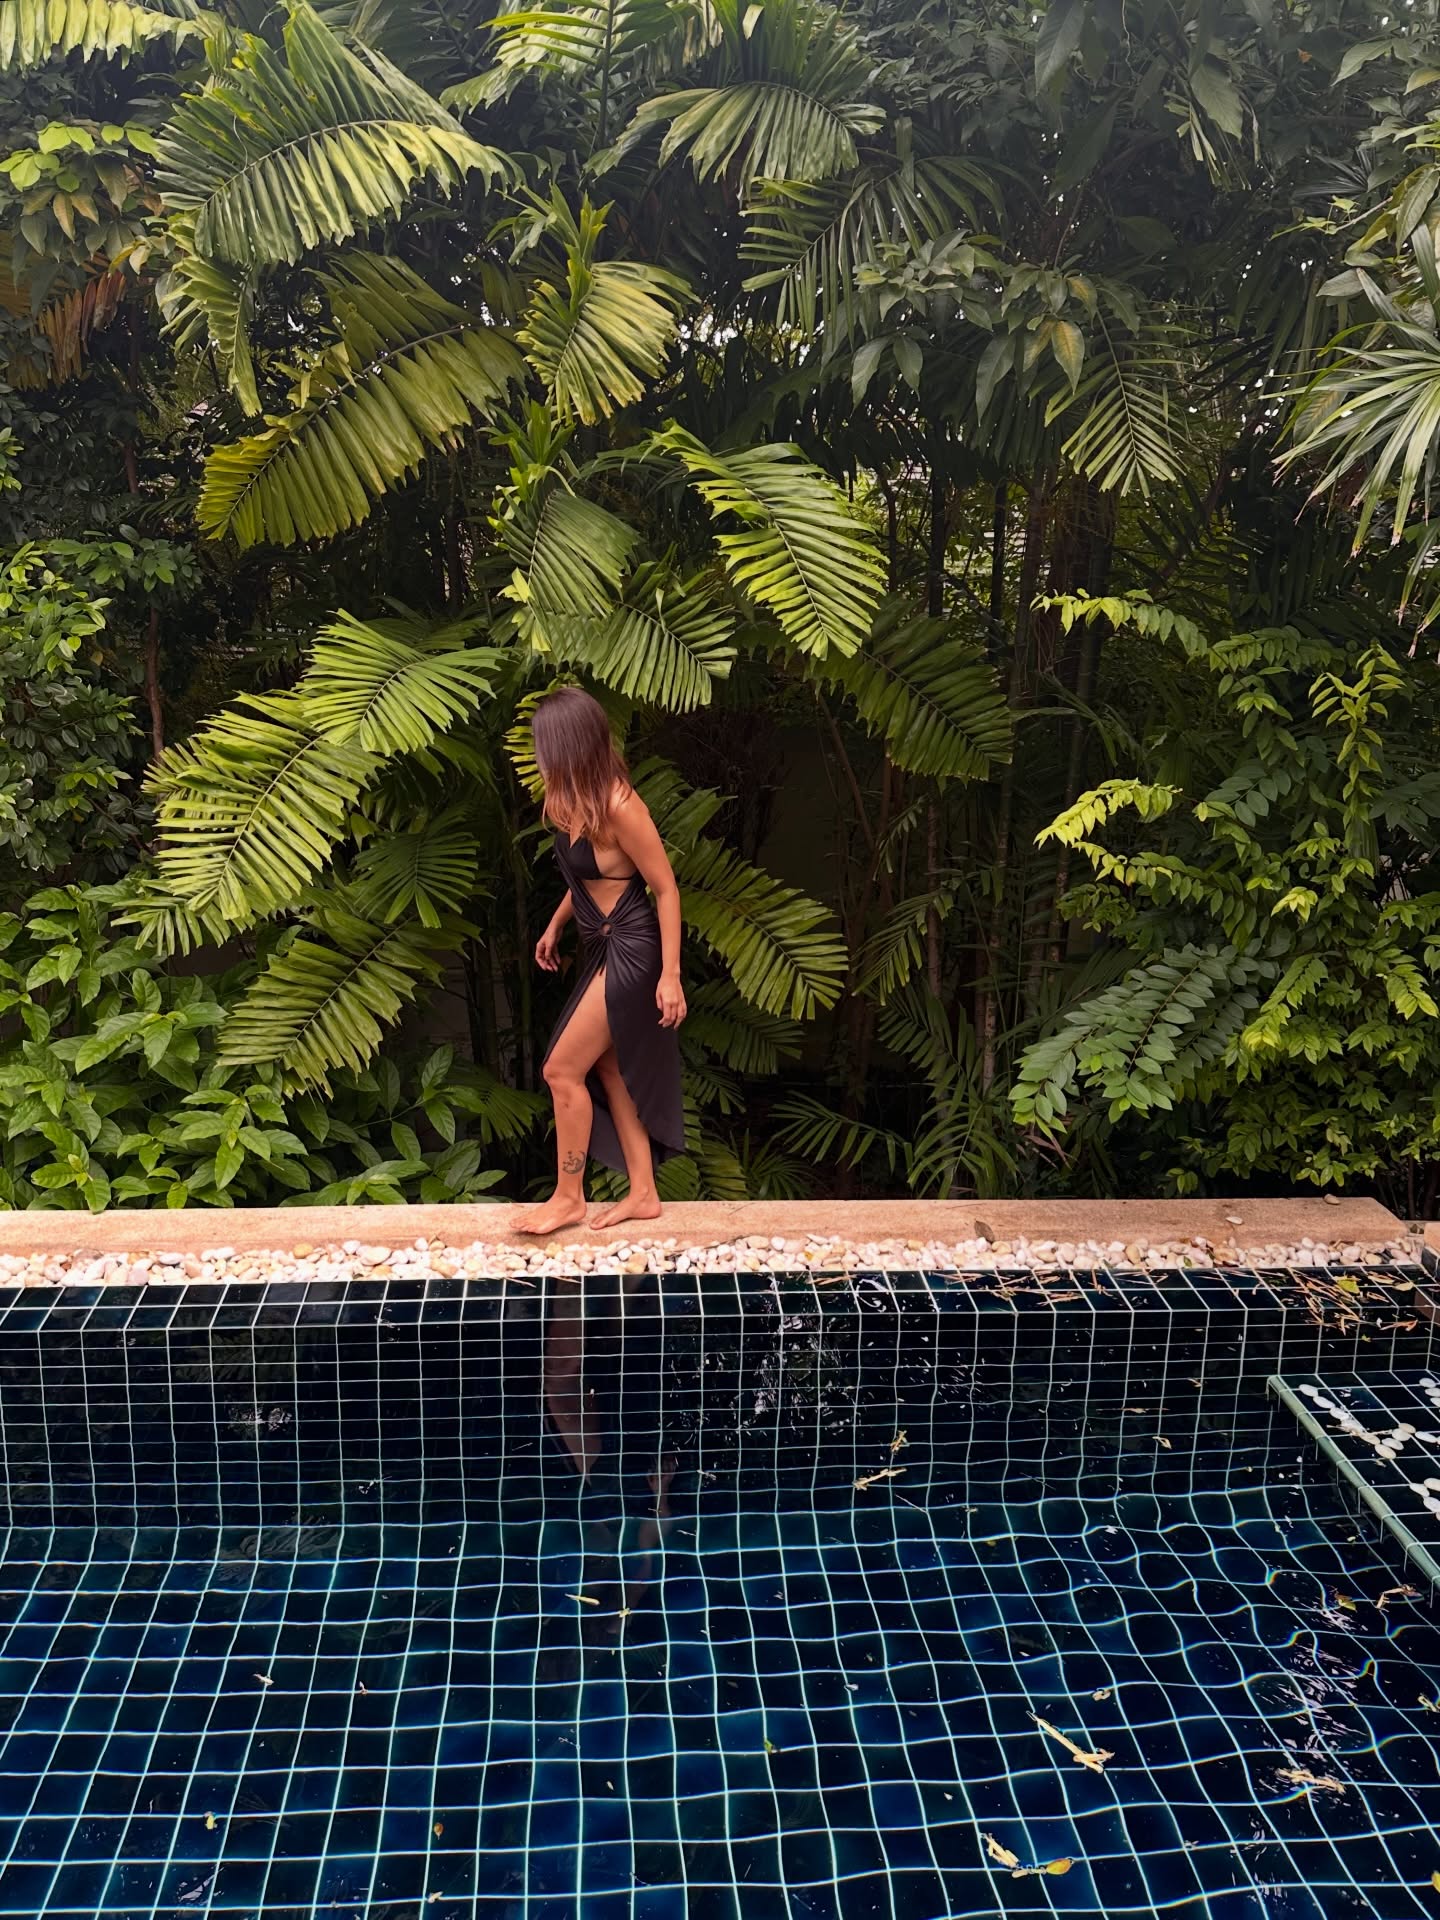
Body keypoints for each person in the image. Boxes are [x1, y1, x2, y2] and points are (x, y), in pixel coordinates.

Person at [518, 687, 686, 1235]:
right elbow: (587, 879)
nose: (538, 756)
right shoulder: (569, 799)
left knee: (561, 1069)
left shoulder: (621, 805)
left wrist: (671, 976)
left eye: (543, 745)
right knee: (609, 1067)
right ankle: (644, 1193)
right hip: (601, 944)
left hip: (634, 949)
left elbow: (665, 888)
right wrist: (555, 924)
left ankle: (569, 1197)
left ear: (567, 745)